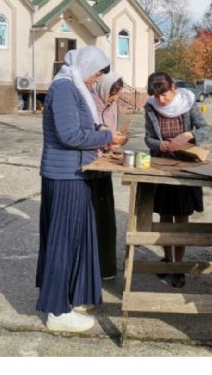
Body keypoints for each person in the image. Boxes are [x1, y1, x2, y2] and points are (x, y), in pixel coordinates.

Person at [37, 49, 128, 333]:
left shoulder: (74, 86)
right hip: (65, 176)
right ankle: (57, 311)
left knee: (76, 238)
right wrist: (106, 136)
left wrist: (103, 137)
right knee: (64, 241)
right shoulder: (65, 88)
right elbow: (69, 135)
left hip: (75, 173)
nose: (95, 80)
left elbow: (81, 128)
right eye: (97, 73)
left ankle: (71, 296)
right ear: (86, 65)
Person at [144, 71, 210, 287]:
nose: (160, 100)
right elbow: (148, 138)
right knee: (164, 215)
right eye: (156, 96)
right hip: (163, 166)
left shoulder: (188, 102)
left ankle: (179, 266)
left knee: (182, 216)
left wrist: (188, 135)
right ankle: (168, 260)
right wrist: (158, 145)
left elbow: (205, 129)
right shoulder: (151, 107)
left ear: (173, 87)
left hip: (185, 167)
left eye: (163, 95)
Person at [89, 73, 126, 281]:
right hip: (89, 165)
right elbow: (88, 131)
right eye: (112, 94)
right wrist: (105, 138)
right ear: (103, 90)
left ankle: (106, 269)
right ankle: (91, 268)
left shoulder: (112, 107)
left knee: (105, 219)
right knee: (91, 220)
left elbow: (111, 132)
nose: (114, 99)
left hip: (105, 167)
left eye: (118, 94)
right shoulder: (89, 103)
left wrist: (116, 142)